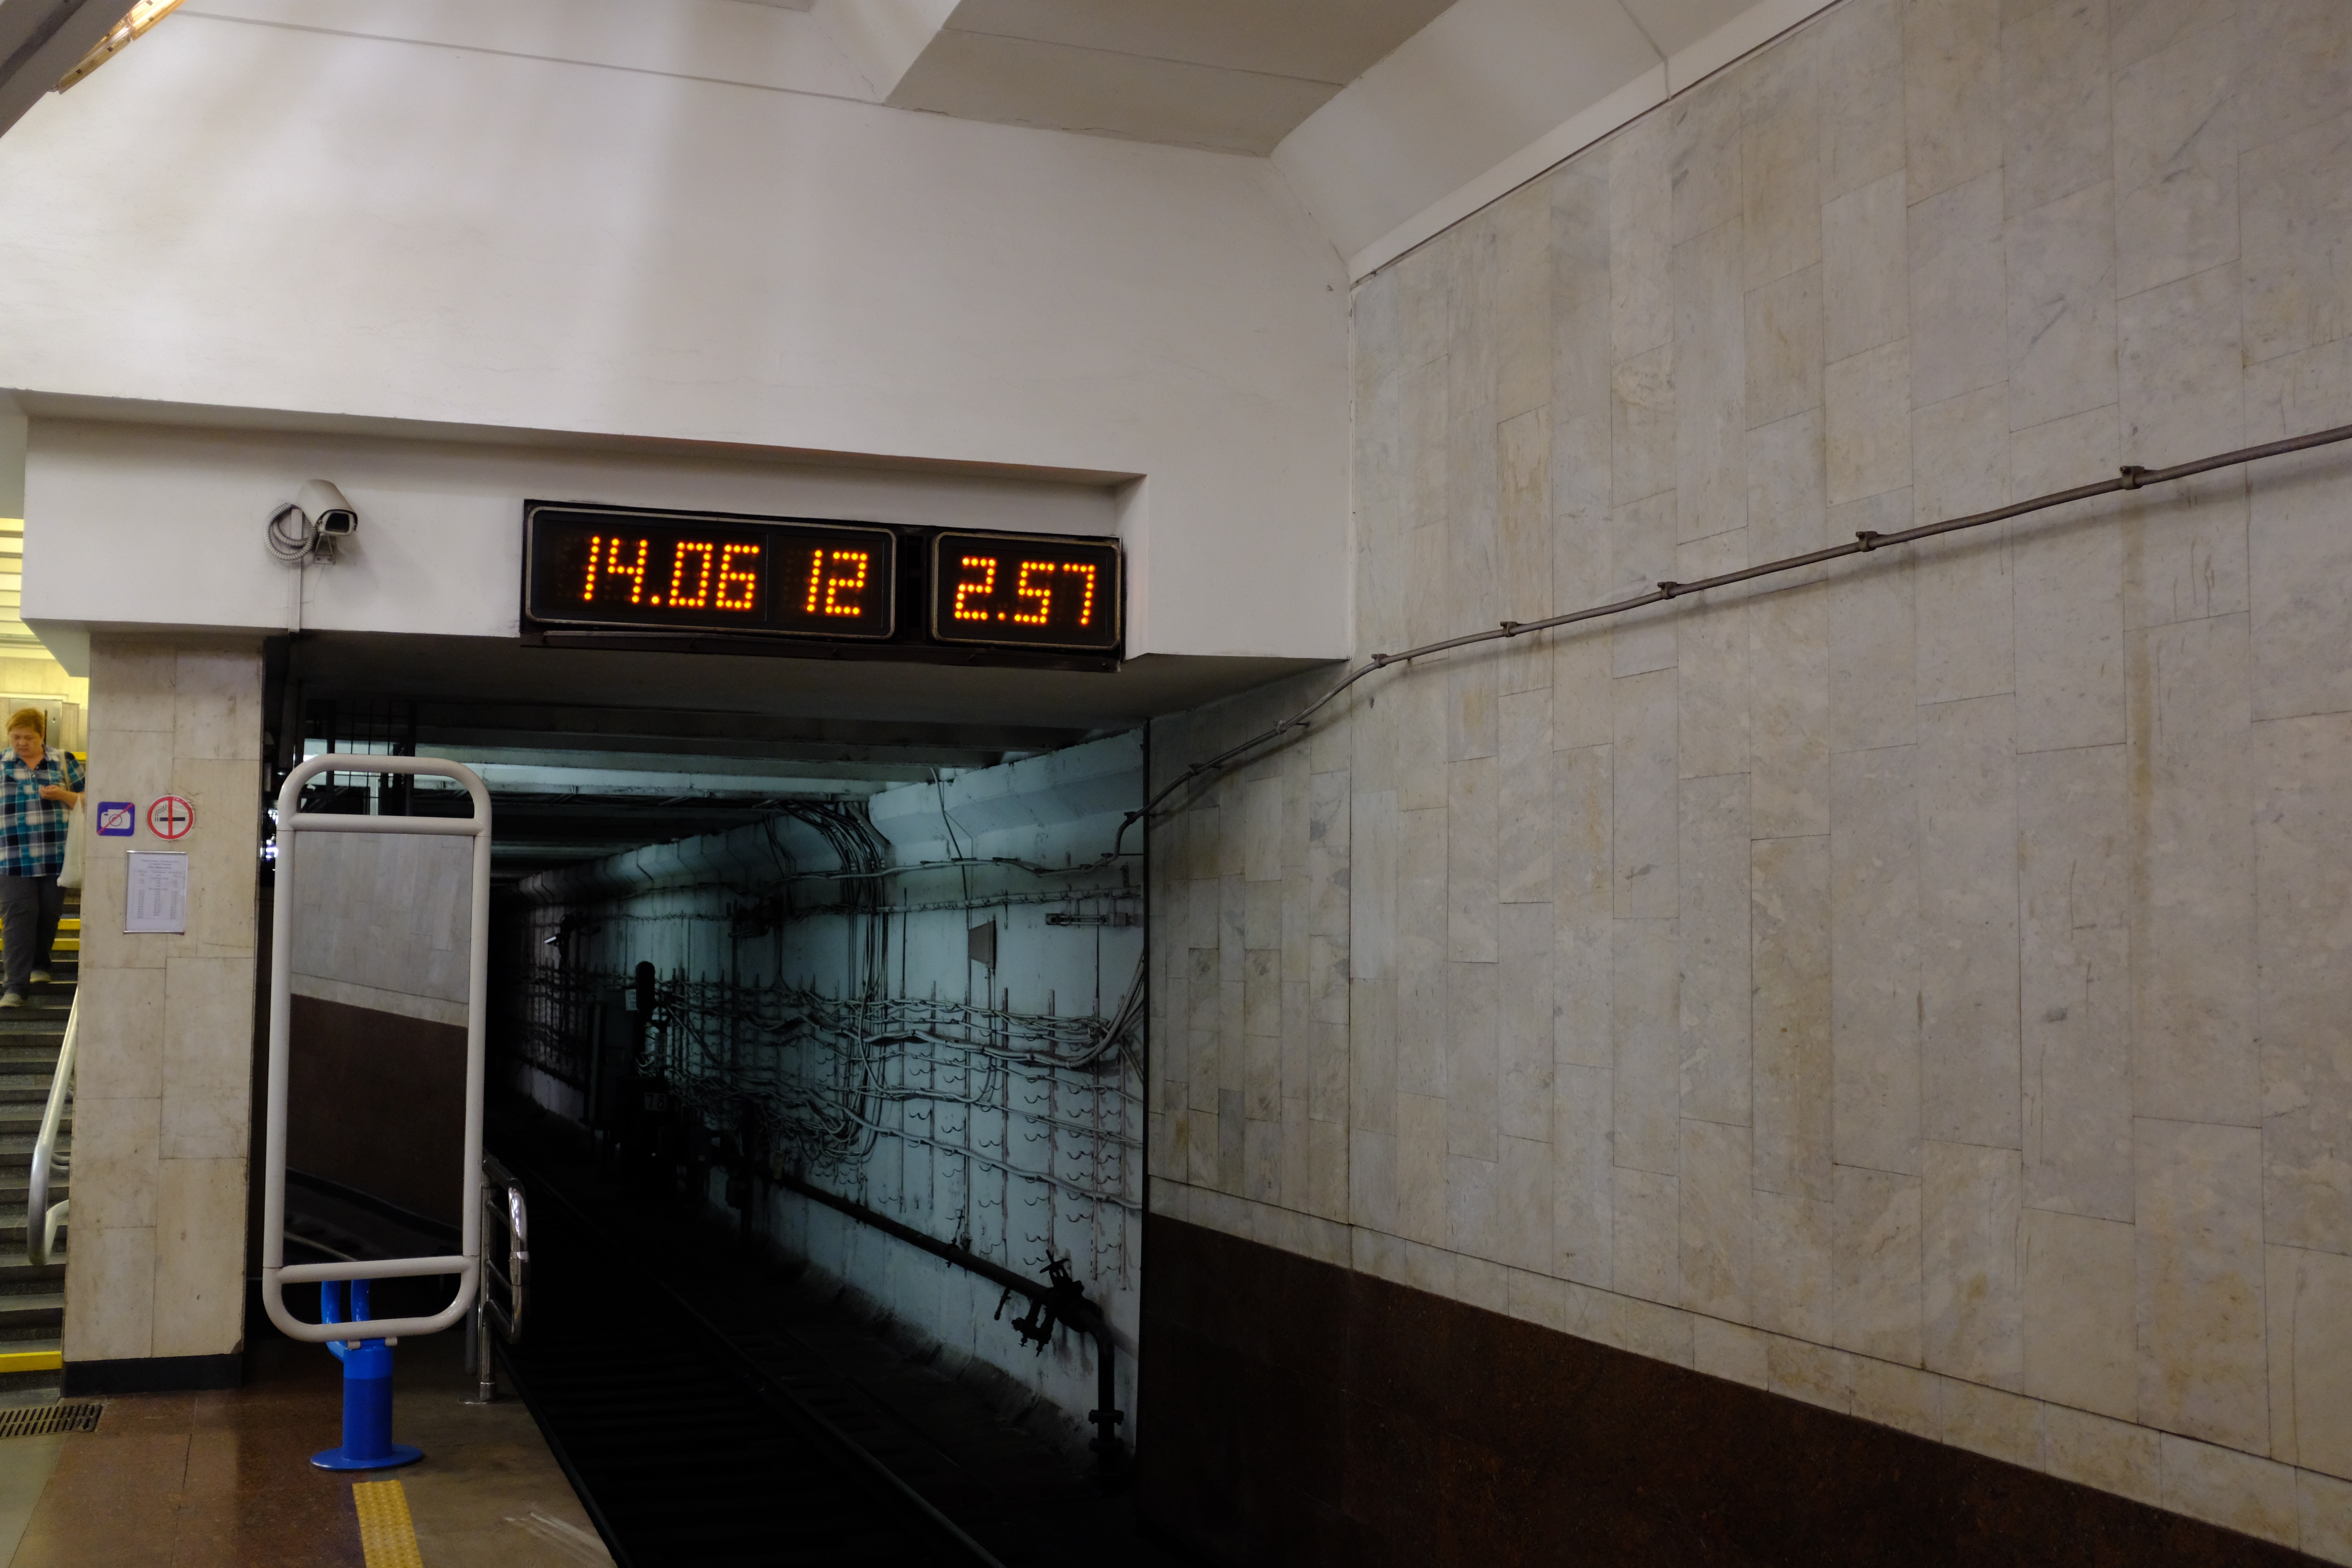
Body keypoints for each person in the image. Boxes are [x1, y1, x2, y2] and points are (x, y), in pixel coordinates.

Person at [0, 709, 83, 1008]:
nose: (21, 743)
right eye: (16, 737)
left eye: (29, 737)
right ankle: (15, 987)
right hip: (12, 858)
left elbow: (95, 800)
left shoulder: (63, 761)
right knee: (18, 919)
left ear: (42, 736)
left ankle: (40, 964)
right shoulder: (2, 764)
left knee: (48, 915)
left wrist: (64, 795)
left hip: (56, 857)